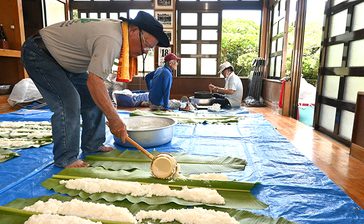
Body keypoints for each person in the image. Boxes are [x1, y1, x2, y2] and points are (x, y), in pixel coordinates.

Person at [21, 11, 170, 168]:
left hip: (65, 61)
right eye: (146, 45)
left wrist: (111, 113)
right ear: (133, 30)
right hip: (40, 53)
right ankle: (66, 158)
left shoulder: (118, 33)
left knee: (93, 98)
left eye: (149, 49)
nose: (145, 51)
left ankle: (93, 145)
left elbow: (95, 86)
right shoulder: (111, 38)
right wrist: (114, 119)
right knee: (69, 102)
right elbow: (95, 82)